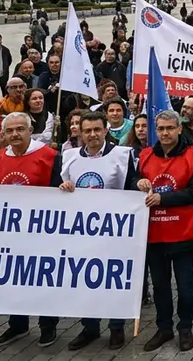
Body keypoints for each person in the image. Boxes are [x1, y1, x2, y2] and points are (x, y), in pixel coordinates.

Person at [58, 111, 138, 351]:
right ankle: (89, 327)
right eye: (87, 130)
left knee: (112, 280)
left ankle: (116, 328)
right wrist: (63, 187)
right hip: (81, 232)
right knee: (84, 281)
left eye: (97, 130)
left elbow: (133, 184)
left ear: (105, 130)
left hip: (113, 231)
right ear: (80, 133)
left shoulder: (123, 155)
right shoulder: (69, 157)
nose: (92, 135)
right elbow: (56, 189)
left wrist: (140, 184)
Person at [0, 112, 62, 347]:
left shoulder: (49, 156)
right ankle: (17, 325)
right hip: (10, 234)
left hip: (42, 232)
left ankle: (47, 325)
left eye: (20, 129)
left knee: (43, 279)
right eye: (9, 131)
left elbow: (57, 192)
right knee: (14, 279)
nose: (15, 134)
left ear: (30, 130)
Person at [136, 109, 193, 352]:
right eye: (161, 129)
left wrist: (162, 199)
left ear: (179, 128)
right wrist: (139, 183)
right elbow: (133, 186)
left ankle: (185, 327)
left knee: (186, 285)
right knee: (160, 285)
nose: (165, 133)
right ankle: (164, 327)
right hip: (153, 233)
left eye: (169, 128)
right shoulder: (145, 155)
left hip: (183, 233)